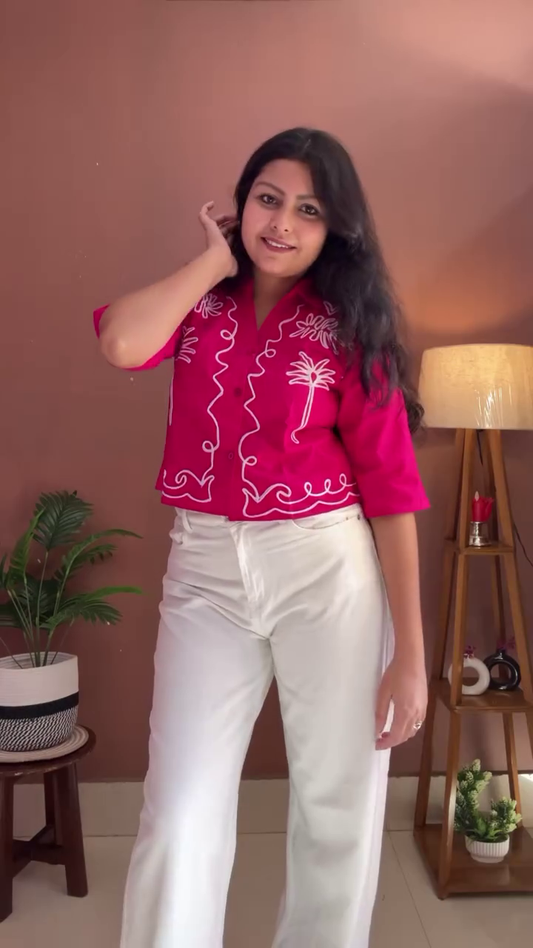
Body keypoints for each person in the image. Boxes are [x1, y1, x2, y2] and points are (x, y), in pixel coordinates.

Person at [94, 127, 429, 948]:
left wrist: (410, 654)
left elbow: (389, 490)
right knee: (178, 810)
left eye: (308, 210)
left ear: (334, 228)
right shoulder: (199, 301)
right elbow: (122, 342)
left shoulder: (351, 325)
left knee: (336, 807)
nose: (281, 224)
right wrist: (210, 263)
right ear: (240, 205)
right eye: (267, 199)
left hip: (327, 570)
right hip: (206, 572)